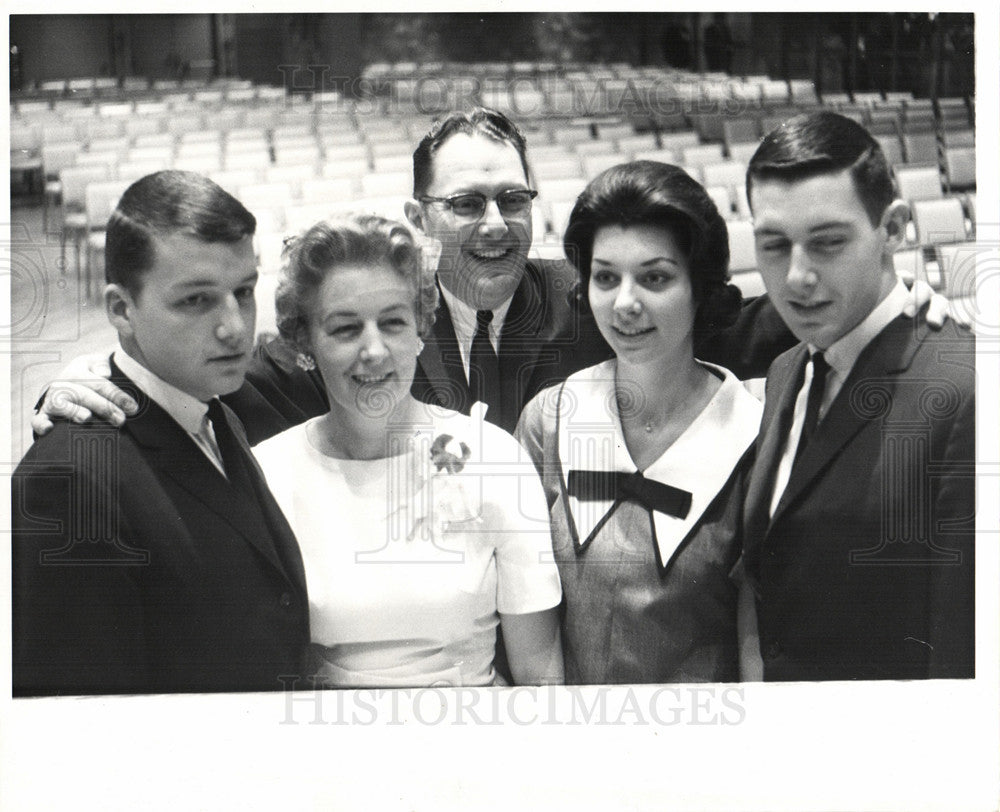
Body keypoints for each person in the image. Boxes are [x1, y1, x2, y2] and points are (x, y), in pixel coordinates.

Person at [32, 107, 797, 441]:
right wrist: (96, 378)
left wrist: (901, 308)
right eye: (466, 203)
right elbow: (221, 376)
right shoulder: (373, 321)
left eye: (513, 199)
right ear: (419, 214)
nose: (495, 225)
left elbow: (760, 327)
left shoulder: (596, 297)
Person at [12, 171, 311, 695]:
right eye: (196, 300)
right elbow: (77, 720)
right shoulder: (71, 477)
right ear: (121, 309)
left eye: (242, 291)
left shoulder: (214, 401)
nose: (235, 327)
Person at [251, 213, 564, 688]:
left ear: (420, 327)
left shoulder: (493, 457)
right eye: (345, 329)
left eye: (393, 323)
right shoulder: (267, 473)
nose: (374, 350)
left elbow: (540, 675)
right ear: (304, 341)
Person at [741, 111, 975, 681]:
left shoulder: (969, 392)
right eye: (774, 245)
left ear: (893, 229)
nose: (796, 276)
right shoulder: (786, 369)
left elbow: (962, 651)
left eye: (827, 243)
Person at [516, 161, 762, 683]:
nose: (625, 303)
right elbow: (523, 616)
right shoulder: (549, 420)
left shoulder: (754, 436)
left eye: (655, 277)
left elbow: (756, 641)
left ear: (700, 286)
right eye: (606, 277)